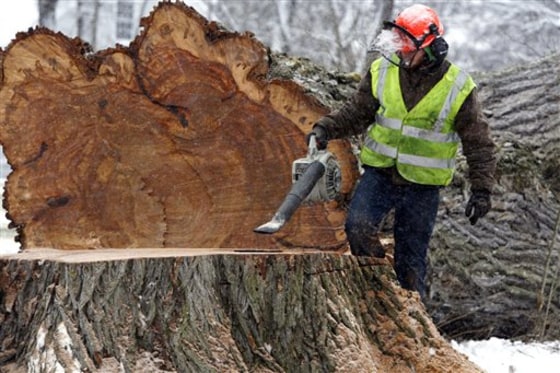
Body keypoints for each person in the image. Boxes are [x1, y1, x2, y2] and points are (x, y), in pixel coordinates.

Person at [307, 4, 496, 299]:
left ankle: (412, 316)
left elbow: (478, 142)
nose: (402, 52)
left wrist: (482, 190)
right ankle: (377, 295)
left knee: (411, 260)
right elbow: (357, 112)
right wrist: (326, 129)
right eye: (399, 44)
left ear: (430, 47)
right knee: (357, 227)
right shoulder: (382, 70)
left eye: (409, 47)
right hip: (380, 174)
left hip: (423, 186)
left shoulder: (458, 87)